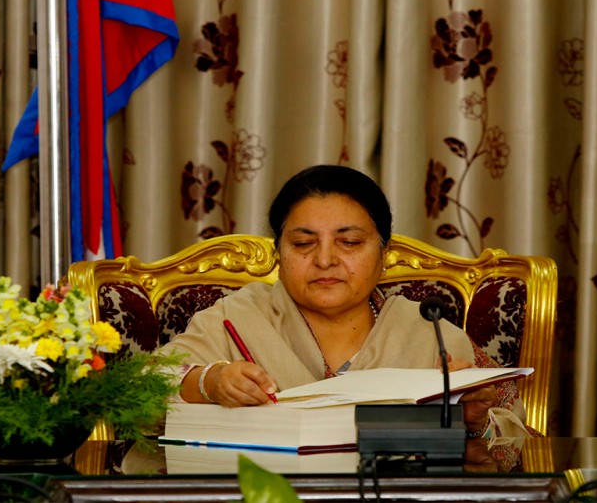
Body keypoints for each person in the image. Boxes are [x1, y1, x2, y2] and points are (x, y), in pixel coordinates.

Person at [162, 164, 526, 439]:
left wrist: (474, 421)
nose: (325, 260)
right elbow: (145, 391)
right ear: (278, 254)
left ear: (385, 255)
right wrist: (208, 382)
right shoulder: (236, 318)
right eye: (303, 244)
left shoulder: (430, 333)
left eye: (349, 243)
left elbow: (515, 437)